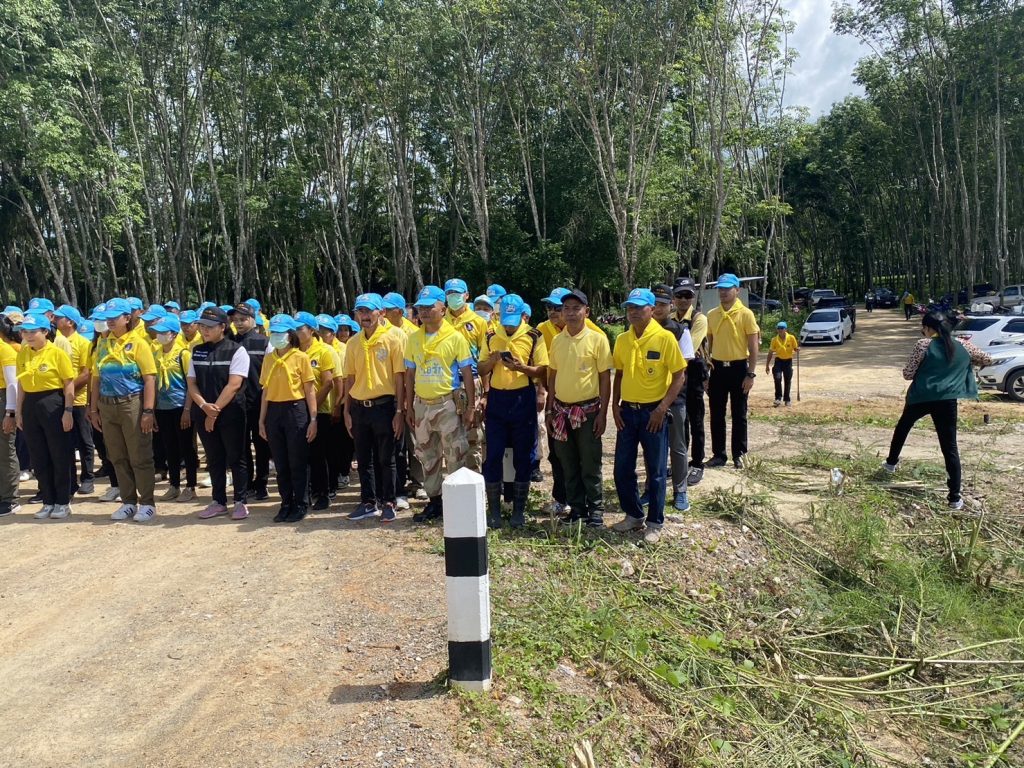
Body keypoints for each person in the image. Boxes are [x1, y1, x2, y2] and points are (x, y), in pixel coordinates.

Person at [883, 311, 993, 510]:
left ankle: (891, 463)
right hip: (947, 401)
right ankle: (954, 498)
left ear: (928, 328)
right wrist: (964, 364)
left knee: (903, 428)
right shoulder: (963, 345)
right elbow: (987, 359)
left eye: (923, 328)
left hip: (920, 397)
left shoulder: (923, 345)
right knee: (949, 447)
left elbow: (908, 374)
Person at [610, 289, 686, 544]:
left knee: (656, 470)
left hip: (653, 413)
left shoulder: (664, 338)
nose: (633, 312)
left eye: (639, 307)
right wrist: (614, 405)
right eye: (630, 307)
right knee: (622, 468)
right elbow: (619, 374)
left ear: (652, 310)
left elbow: (679, 376)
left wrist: (662, 409)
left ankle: (655, 522)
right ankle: (633, 514)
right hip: (627, 412)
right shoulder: (622, 339)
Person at [404, 286, 475, 522]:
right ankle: (435, 502)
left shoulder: (455, 337)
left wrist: (471, 407)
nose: (424, 312)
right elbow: (410, 374)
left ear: (443, 310)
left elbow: (467, 374)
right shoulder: (414, 338)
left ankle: (456, 504)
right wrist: (409, 406)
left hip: (447, 405)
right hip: (422, 405)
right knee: (428, 456)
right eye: (420, 308)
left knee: (455, 454)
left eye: (429, 307)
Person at [479, 294, 547, 529]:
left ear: (522, 316)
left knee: (523, 456)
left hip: (522, 399)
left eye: (513, 321)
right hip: (497, 400)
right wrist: (493, 361)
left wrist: (521, 367)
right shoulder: (491, 335)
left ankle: (519, 510)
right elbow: (481, 368)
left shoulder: (534, 336)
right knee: (493, 455)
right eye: (505, 321)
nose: (508, 326)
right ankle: (494, 512)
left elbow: (542, 370)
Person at [545, 289, 612, 528]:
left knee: (590, 463)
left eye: (576, 308)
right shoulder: (557, 340)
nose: (571, 313)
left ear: (587, 311)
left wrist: (603, 413)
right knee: (568, 463)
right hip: (561, 411)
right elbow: (552, 375)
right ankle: (577, 510)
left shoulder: (597, 339)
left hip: (588, 411)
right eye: (566, 308)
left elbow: (604, 378)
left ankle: (596, 510)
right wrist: (549, 410)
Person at [90, 298, 158, 522]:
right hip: (107, 405)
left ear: (127, 318)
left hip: (132, 403)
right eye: (107, 318)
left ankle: (147, 503)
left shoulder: (139, 343)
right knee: (117, 456)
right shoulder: (102, 344)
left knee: (139, 455)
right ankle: (128, 501)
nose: (110, 321)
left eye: (115, 317)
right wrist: (93, 409)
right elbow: (96, 379)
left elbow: (149, 379)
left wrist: (148, 411)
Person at [342, 293, 407, 523]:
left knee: (387, 458)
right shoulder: (353, 343)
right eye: (360, 311)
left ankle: (389, 501)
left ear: (381, 313)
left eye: (369, 311)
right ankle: (368, 502)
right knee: (363, 458)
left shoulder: (393, 339)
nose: (365, 316)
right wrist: (346, 410)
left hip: (384, 406)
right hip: (359, 407)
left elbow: (399, 378)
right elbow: (349, 379)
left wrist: (399, 411)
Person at [186, 306, 251, 520]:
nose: (204, 330)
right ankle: (218, 501)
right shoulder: (197, 351)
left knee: (236, 457)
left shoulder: (236, 350)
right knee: (214, 458)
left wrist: (214, 412)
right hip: (203, 412)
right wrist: (204, 406)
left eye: (210, 326)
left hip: (230, 413)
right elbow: (192, 383)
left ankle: (240, 501)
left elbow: (234, 384)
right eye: (202, 326)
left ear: (222, 327)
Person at [16, 313, 77, 519]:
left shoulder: (57, 353)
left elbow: (68, 383)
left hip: (53, 402)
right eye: (25, 332)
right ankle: (48, 500)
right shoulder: (23, 353)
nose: (28, 336)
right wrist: (19, 412)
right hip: (30, 404)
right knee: (38, 455)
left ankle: (63, 501)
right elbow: (21, 385)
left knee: (58, 453)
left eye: (33, 332)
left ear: (45, 332)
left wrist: (68, 411)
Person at [259, 314, 318, 523]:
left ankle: (301, 503)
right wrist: (262, 420)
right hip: (274, 411)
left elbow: (309, 390)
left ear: (290, 334)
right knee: (281, 462)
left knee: (297, 460)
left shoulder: (300, 357)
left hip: (295, 410)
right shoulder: (269, 358)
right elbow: (265, 391)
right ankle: (286, 503)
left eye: (280, 332)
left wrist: (313, 419)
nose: (276, 336)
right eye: (273, 332)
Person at [705, 274, 759, 469]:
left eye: (727, 288)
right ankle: (719, 454)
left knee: (739, 414)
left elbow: (753, 346)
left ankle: (740, 454)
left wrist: (750, 374)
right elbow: (708, 345)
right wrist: (707, 372)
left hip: (738, 368)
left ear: (737, 290)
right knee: (716, 414)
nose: (723, 292)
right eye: (721, 288)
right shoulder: (712, 314)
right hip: (718, 368)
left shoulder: (746, 314)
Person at [652, 284, 693, 512]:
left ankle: (680, 490)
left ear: (671, 305)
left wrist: (667, 400)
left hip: (674, 399)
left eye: (662, 304)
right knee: (652, 447)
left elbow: (682, 369)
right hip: (648, 399)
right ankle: (651, 488)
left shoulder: (680, 331)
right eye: (654, 303)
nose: (658, 308)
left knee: (677, 446)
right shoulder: (641, 329)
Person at [151, 315, 198, 503]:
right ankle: (174, 485)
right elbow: (154, 383)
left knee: (186, 447)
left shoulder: (183, 354)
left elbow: (191, 384)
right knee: (169, 447)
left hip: (181, 406)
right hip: (163, 408)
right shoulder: (156, 354)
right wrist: (153, 410)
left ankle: (191, 486)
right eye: (158, 332)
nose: (160, 336)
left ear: (174, 334)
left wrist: (187, 410)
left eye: (164, 332)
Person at [293, 311, 337, 511]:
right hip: (296, 411)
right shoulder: (292, 351)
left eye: (300, 328)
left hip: (319, 410)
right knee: (302, 455)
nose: (296, 332)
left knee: (319, 455)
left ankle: (323, 493)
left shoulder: (324, 351)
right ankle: (306, 492)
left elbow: (328, 383)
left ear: (311, 330)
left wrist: (312, 407)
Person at [444, 278, 488, 473]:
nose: (453, 297)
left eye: (457, 293)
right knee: (450, 433)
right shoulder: (440, 321)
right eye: (449, 293)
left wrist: (486, 392)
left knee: (473, 433)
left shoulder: (479, 322)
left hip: (471, 382)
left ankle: (474, 476)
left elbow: (484, 358)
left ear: (467, 295)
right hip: (446, 384)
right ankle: (454, 477)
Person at [228, 303, 270, 501]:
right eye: (235, 320)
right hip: (236, 403)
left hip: (259, 401)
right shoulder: (229, 343)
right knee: (241, 446)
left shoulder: (264, 343)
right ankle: (245, 485)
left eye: (243, 319)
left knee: (261, 445)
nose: (239, 323)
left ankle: (261, 483)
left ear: (253, 320)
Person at [54, 305, 96, 495]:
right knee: (66, 442)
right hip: (60, 399)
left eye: (59, 317)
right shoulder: (55, 341)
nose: (55, 320)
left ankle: (88, 478)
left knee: (84, 440)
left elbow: (86, 374)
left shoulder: (83, 343)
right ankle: (71, 480)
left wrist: (67, 390)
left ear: (70, 322)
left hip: (78, 400)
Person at [672, 277, 709, 486]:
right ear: (674, 297)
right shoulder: (669, 318)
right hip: (676, 373)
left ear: (693, 297)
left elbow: (689, 349)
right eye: (680, 295)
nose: (684, 299)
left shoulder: (699, 319)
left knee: (696, 419)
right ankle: (681, 462)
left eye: (687, 295)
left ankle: (697, 463)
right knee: (679, 420)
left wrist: (669, 358)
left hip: (693, 371)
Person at [0, 316, 20, 516]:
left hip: (3, 399)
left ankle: (9, 499)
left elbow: (12, 384)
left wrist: (10, 413)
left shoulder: (5, 350)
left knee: (5, 451)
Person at [765, 321, 798, 407]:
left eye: (782, 328)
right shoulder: (774, 340)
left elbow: (795, 348)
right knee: (777, 378)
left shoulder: (791, 338)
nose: (780, 330)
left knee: (787, 380)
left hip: (788, 361)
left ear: (785, 329)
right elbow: (770, 352)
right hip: (778, 361)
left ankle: (787, 399)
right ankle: (778, 398)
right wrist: (767, 365)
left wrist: (797, 349)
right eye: (778, 328)